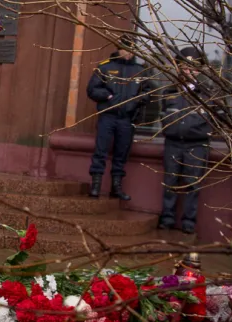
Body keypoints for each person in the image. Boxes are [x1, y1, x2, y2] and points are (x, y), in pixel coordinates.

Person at [157, 46, 219, 234]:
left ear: (199, 70)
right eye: (184, 67)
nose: (188, 71)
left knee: (193, 184)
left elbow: (211, 121)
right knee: (170, 181)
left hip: (196, 145)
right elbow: (164, 116)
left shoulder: (207, 93)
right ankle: (167, 218)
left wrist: (190, 127)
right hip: (173, 143)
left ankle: (188, 222)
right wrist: (175, 127)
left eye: (192, 68)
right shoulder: (169, 91)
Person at [85, 34, 152, 200]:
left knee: (122, 153)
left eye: (132, 50)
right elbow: (92, 89)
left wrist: (137, 100)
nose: (129, 53)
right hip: (108, 116)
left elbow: (148, 92)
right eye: (125, 49)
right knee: (101, 151)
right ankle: (96, 185)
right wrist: (108, 97)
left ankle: (116, 187)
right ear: (118, 49)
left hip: (127, 118)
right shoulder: (106, 67)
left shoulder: (139, 70)